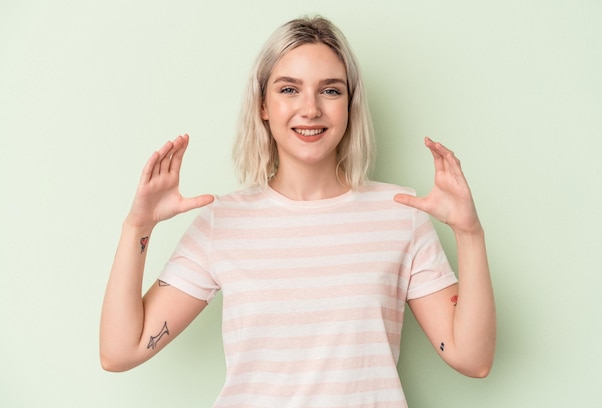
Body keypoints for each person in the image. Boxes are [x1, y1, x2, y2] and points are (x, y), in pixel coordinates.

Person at [100, 15, 495, 407]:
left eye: (330, 91)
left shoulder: (401, 216)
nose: (310, 109)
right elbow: (121, 352)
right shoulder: (223, 222)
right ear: (264, 106)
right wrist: (138, 225)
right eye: (289, 89)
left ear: (350, 106)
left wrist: (469, 234)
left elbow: (472, 359)